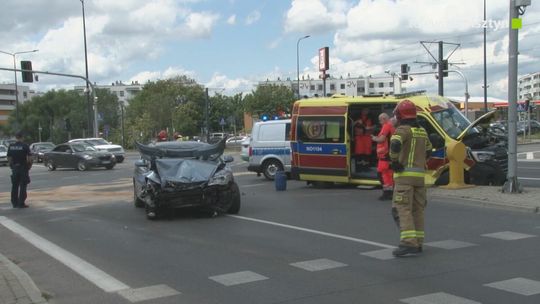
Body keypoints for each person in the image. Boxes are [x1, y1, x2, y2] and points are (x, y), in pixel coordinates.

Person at [389, 99, 432, 257]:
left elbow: (394, 144)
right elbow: (429, 150)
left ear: (400, 115)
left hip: (404, 178)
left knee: (401, 209)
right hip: (420, 178)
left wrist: (394, 161)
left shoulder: (402, 130)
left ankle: (408, 243)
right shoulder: (422, 131)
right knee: (417, 210)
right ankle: (418, 242)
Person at [371, 113, 395, 200]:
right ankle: (390, 193)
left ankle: (387, 193)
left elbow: (381, 139)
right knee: (388, 174)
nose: (379, 122)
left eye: (380, 120)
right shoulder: (391, 126)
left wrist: (374, 138)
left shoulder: (386, 126)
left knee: (382, 174)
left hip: (385, 156)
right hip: (389, 155)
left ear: (384, 119)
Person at [7, 131, 32, 208]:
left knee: (14, 186)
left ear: (16, 137)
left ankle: (14, 203)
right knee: (23, 185)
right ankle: (21, 203)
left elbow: (9, 158)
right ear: (22, 137)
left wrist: (11, 165)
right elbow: (29, 158)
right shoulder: (25, 146)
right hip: (23, 167)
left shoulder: (11, 146)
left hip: (15, 167)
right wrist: (29, 166)